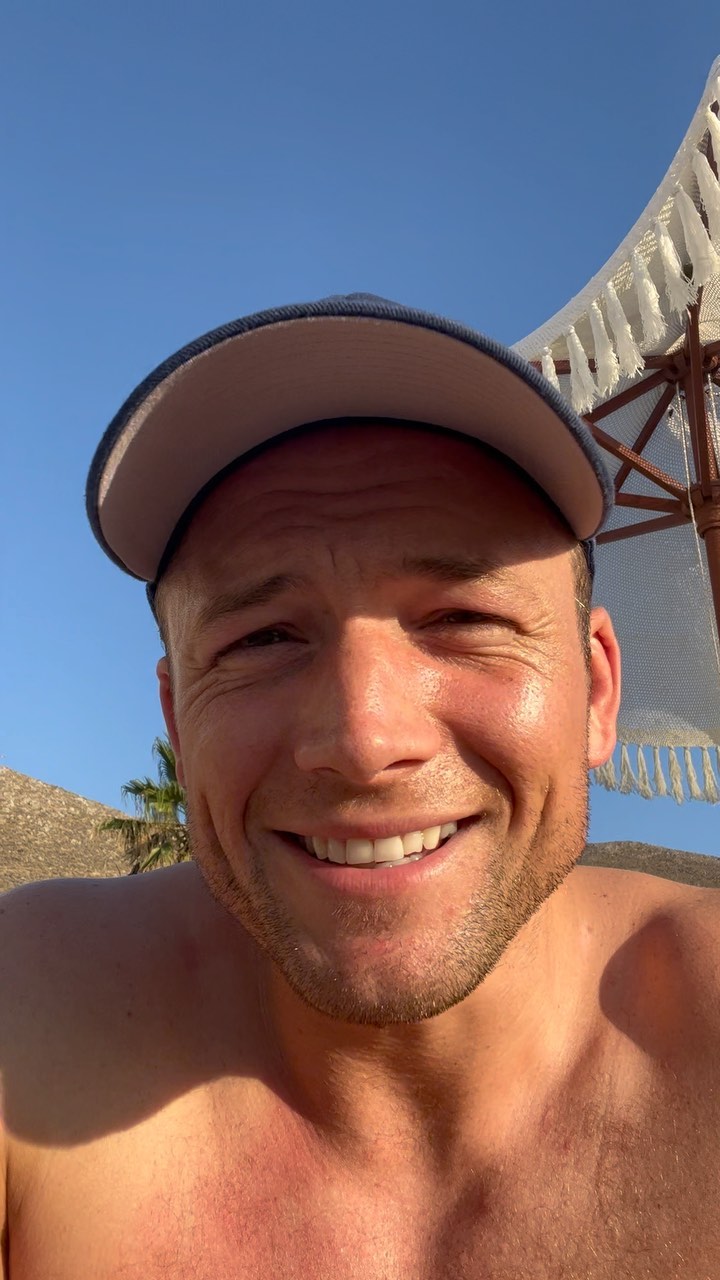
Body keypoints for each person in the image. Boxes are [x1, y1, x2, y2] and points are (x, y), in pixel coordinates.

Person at [1, 294, 718, 1279]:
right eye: (262, 637)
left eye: (462, 618)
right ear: (177, 720)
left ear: (596, 691)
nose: (363, 740)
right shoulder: (32, 1015)